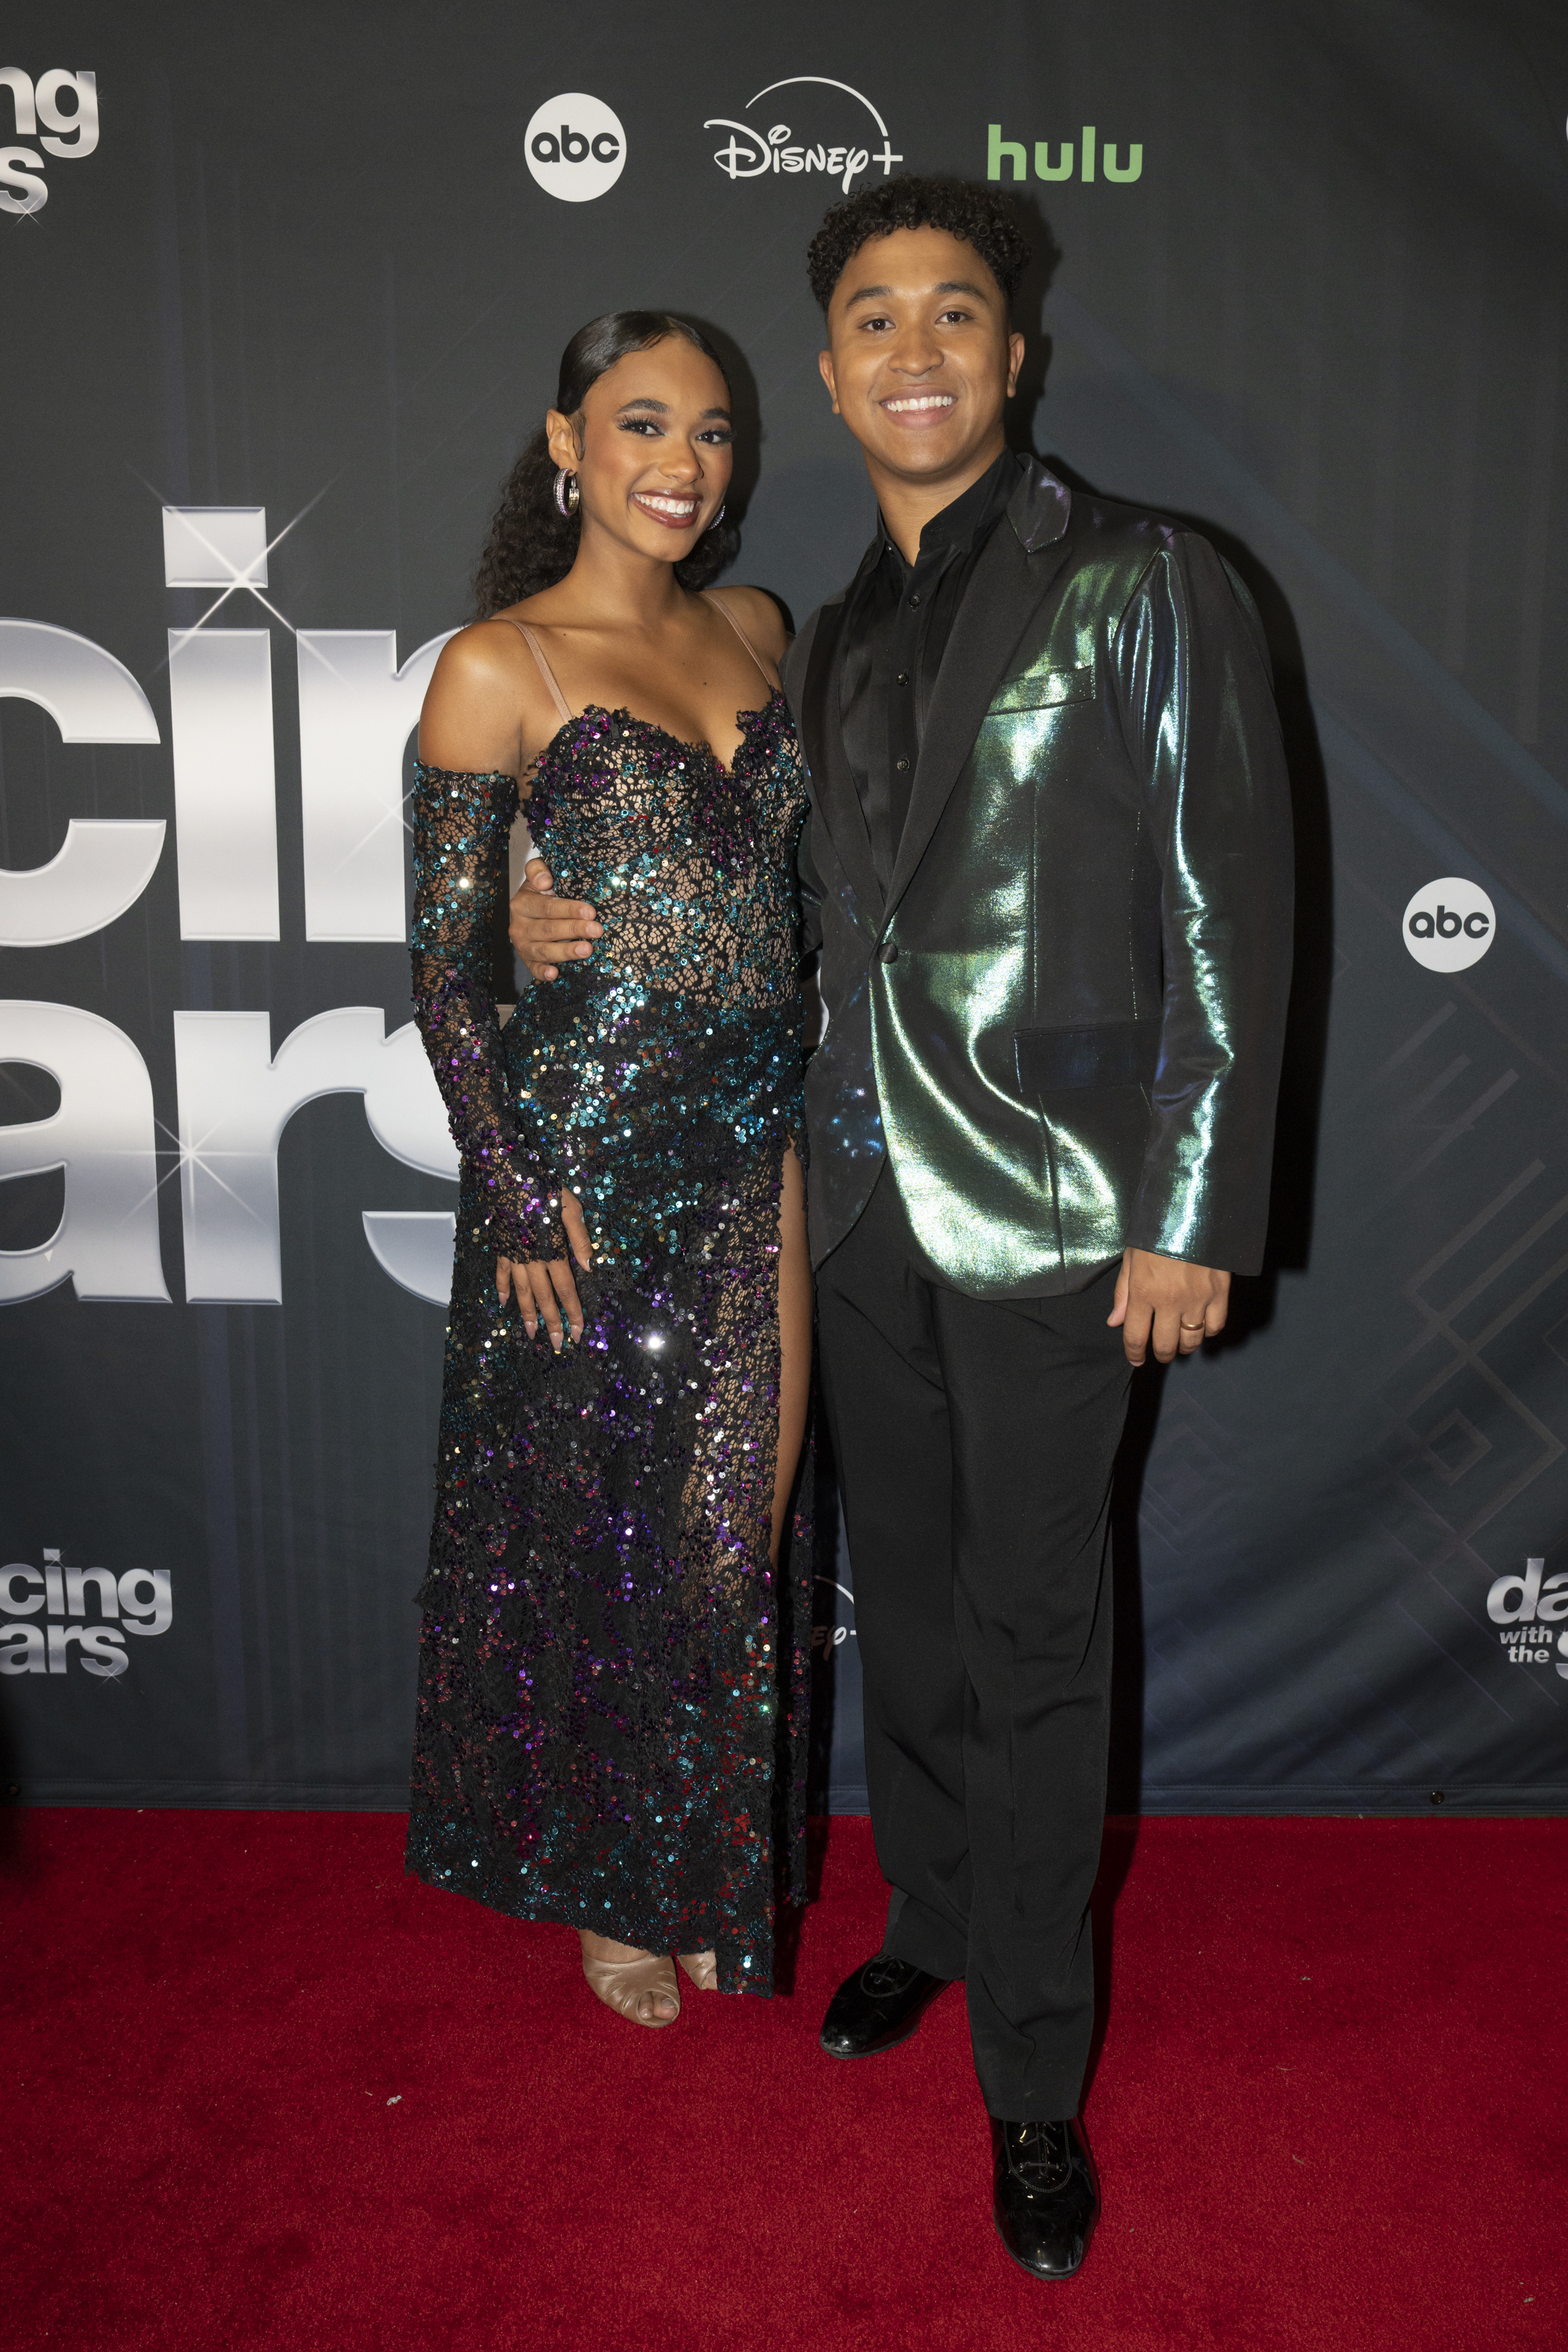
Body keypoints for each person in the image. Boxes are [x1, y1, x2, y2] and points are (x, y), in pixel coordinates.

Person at [511, 180, 1294, 2279]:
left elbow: (1229, 899)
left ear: (1013, 354)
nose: (917, 347)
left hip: (1058, 1211)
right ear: (833, 371)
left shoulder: (1143, 578)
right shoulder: (824, 631)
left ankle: (1033, 2076)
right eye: (875, 317)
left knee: (1035, 1639)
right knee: (920, 1624)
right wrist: (541, 900)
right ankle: (932, 1920)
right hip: (848, 1206)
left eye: (956, 311)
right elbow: (745, 897)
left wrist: (1191, 1207)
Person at [405, 310, 814, 2031]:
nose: (682, 462)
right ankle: (611, 1883)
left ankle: (699, 1855)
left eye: (711, 431)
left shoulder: (757, 627)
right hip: (585, 1160)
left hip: (759, 1145)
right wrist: (511, 1188)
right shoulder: (499, 665)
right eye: (642, 423)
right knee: (597, 1540)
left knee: (733, 1533)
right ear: (567, 443)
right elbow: (442, 971)